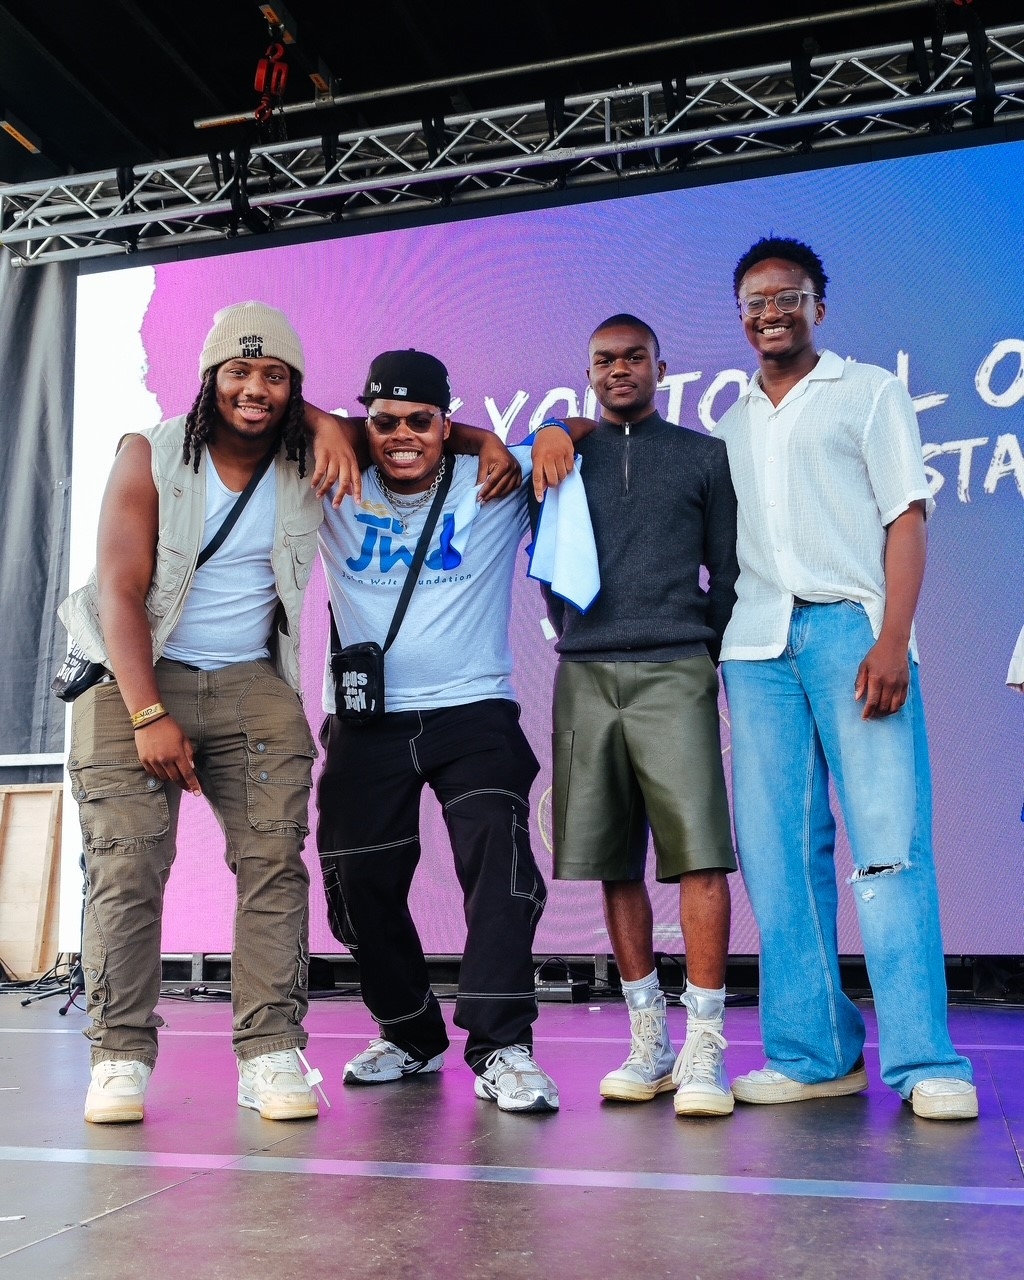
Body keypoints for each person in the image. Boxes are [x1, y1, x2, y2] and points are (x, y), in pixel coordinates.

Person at [715, 236, 977, 1120]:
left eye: (786, 294)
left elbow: (907, 516)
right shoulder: (732, 421)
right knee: (781, 862)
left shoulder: (869, 392)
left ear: (818, 305)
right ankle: (813, 1052)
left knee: (889, 848)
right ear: (742, 314)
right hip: (756, 652)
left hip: (853, 636)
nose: (770, 309)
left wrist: (893, 639)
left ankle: (926, 1060)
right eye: (754, 298)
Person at [316, 348, 561, 1113]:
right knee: (357, 881)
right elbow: (279, 411)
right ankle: (411, 1034)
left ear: (444, 421)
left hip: (472, 709)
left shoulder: (495, 476)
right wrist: (336, 428)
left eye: (419, 421)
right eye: (382, 421)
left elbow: (587, 427)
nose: (400, 436)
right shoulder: (332, 480)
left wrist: (552, 427)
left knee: (498, 856)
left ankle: (502, 1045)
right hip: (367, 719)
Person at [535, 314, 740, 1117]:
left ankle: (705, 1049)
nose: (618, 370)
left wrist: (703, 658)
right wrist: (553, 425)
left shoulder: (703, 456)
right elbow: (548, 566)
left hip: (676, 667)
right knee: (611, 858)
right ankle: (648, 1040)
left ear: (661, 363)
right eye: (603, 361)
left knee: (700, 857)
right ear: (588, 371)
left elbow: (725, 575)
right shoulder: (562, 455)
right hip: (583, 672)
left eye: (633, 358)